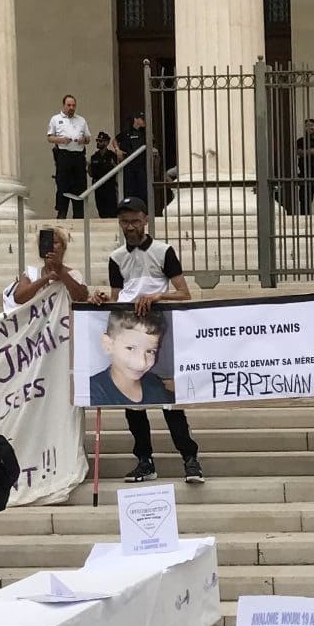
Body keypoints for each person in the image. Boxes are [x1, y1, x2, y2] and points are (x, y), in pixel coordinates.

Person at [104, 198, 204, 484]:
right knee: (132, 401)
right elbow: (116, 297)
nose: (130, 227)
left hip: (160, 331)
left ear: (145, 219)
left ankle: (189, 458)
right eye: (124, 222)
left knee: (169, 399)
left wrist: (158, 296)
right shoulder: (117, 257)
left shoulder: (163, 251)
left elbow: (184, 293)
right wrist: (103, 299)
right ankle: (144, 460)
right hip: (128, 331)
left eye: (135, 220)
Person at [89, 307, 175, 407]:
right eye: (131, 348)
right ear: (108, 345)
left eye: (150, 351)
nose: (141, 363)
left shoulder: (155, 385)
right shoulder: (92, 392)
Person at [47, 94, 91, 219]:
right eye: (69, 105)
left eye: (73, 105)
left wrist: (83, 139)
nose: (71, 108)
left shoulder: (81, 120)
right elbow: (49, 138)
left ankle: (79, 214)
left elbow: (88, 138)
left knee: (80, 185)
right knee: (63, 184)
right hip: (64, 155)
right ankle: (62, 212)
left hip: (78, 156)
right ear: (63, 105)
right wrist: (61, 140)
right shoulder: (55, 119)